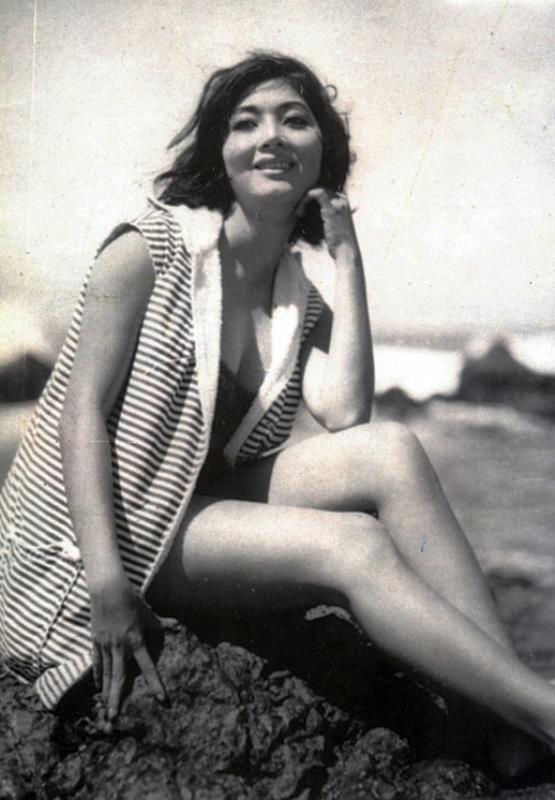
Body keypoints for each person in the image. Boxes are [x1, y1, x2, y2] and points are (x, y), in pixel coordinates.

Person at [0, 52, 554, 770]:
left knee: (392, 449)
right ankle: (542, 711)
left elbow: (347, 413)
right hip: (108, 534)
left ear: (322, 152)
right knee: (353, 545)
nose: (270, 137)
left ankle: (509, 727)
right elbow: (77, 414)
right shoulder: (147, 249)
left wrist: (347, 256)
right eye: (245, 123)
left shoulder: (298, 296)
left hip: (191, 509)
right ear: (218, 152)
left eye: (294, 120)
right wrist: (106, 582)